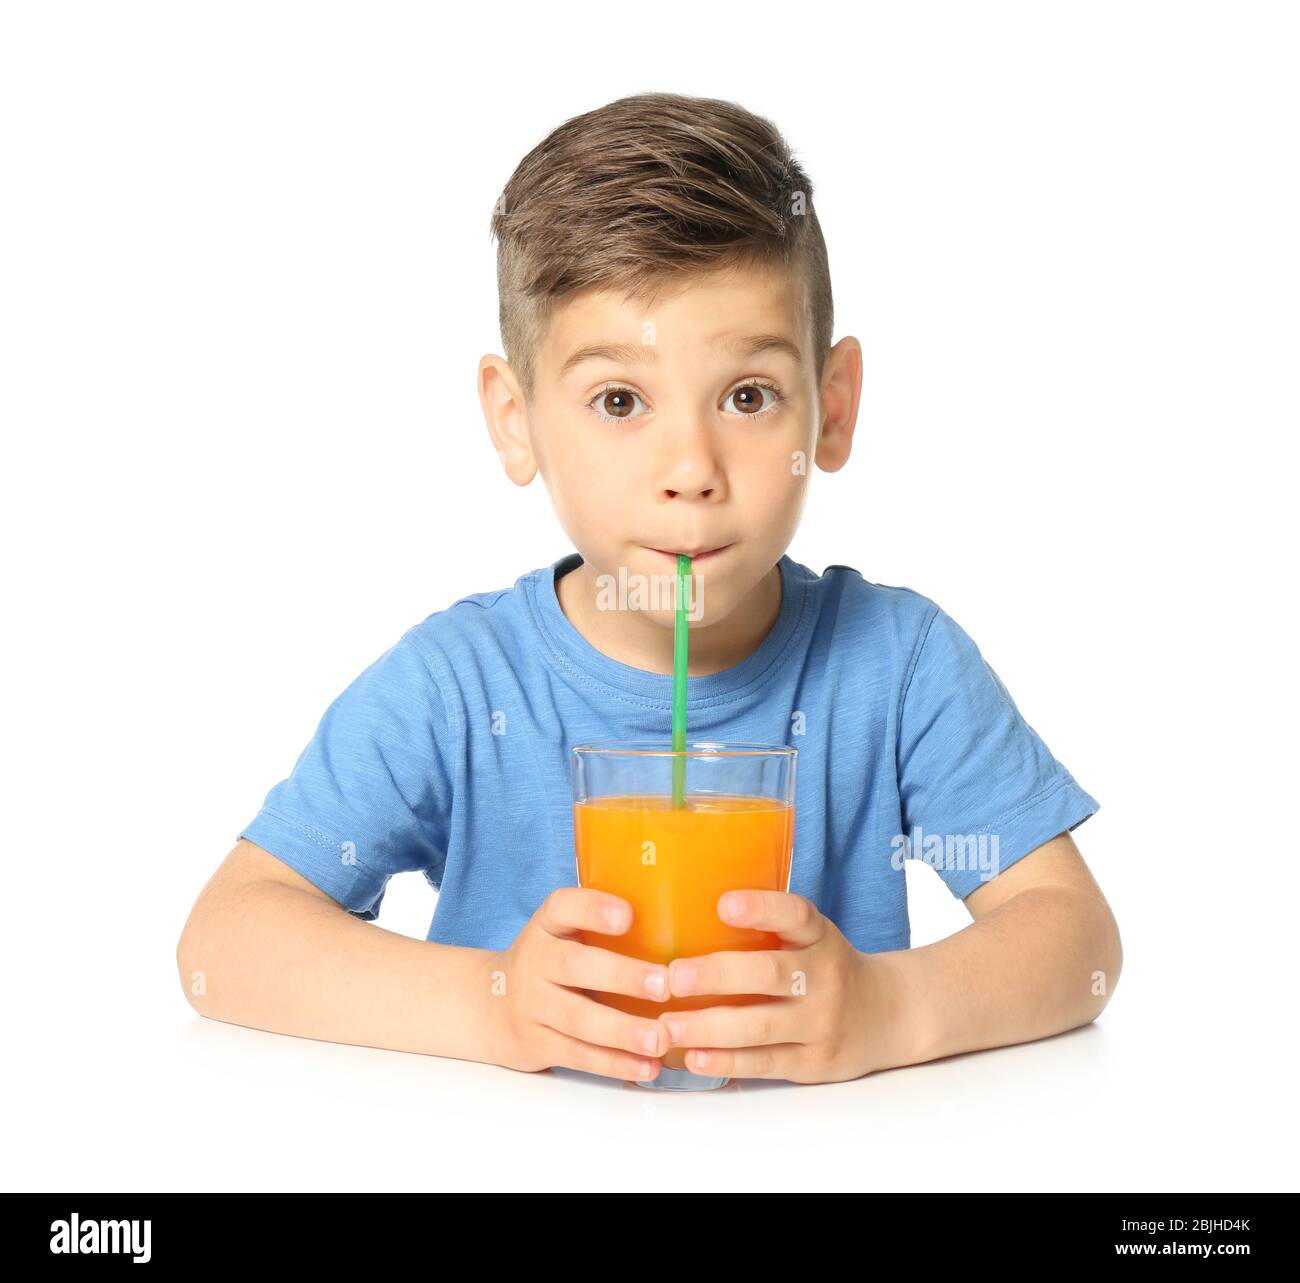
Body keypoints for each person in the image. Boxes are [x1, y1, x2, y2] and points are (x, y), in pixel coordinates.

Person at [177, 92, 1119, 1086]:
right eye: (619, 400)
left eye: (747, 396)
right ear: (515, 419)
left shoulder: (899, 665)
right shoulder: (457, 685)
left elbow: (1076, 938)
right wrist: (491, 1002)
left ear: (831, 409)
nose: (690, 467)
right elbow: (224, 936)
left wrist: (891, 1007)